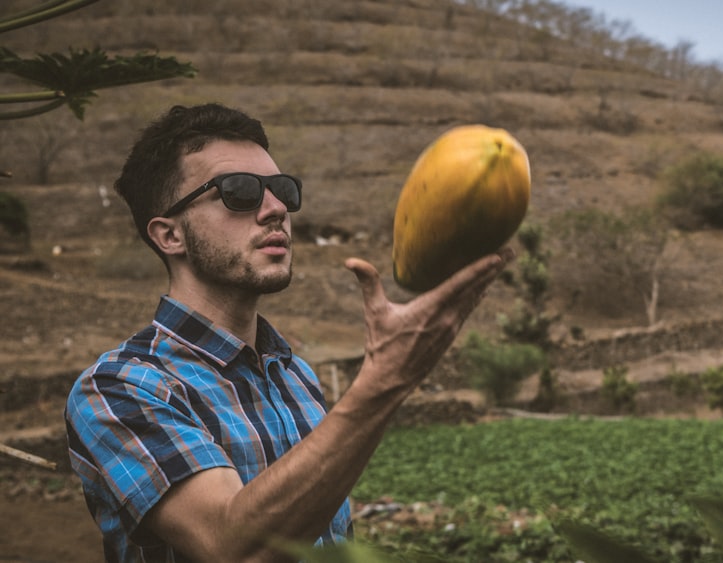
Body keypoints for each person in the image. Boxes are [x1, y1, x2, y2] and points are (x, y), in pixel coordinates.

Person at [64, 103, 512, 562]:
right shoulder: (117, 389)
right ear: (169, 236)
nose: (276, 209)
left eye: (282, 190)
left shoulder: (297, 377)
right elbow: (232, 548)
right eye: (239, 192)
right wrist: (384, 381)